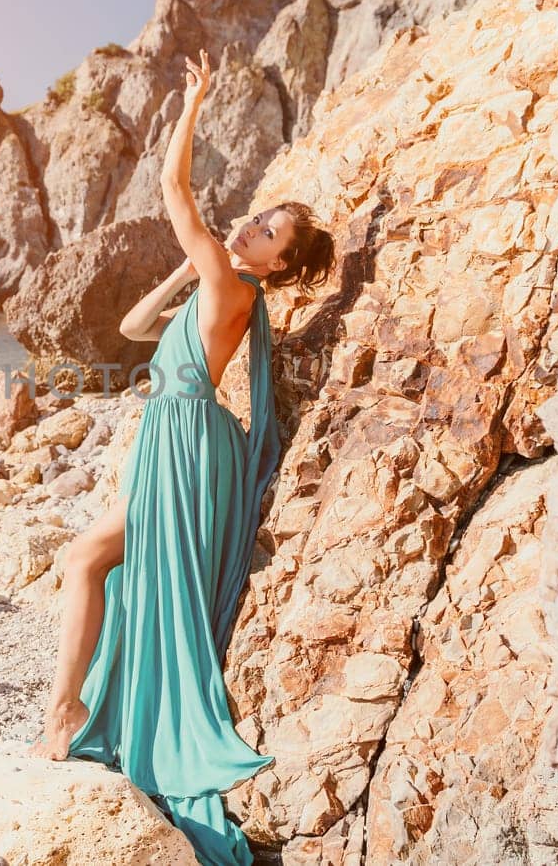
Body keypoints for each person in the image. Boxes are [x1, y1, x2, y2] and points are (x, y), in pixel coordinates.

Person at [26, 48, 337, 866]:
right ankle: (73, 711)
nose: (253, 227)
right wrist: (187, 269)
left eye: (268, 233)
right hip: (172, 439)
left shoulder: (236, 289)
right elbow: (133, 328)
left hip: (188, 446)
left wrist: (193, 103)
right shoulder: (217, 281)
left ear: (276, 267)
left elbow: (174, 191)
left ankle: (64, 714)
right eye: (262, 216)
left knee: (86, 557)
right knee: (93, 561)